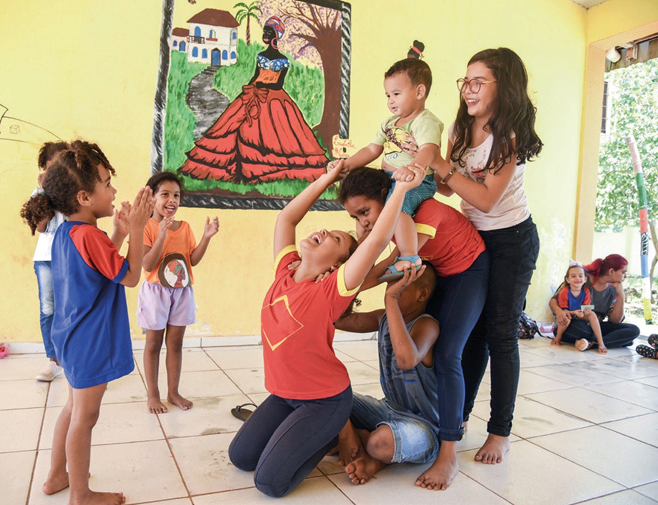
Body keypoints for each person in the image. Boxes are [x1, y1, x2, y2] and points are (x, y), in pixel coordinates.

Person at [227, 162, 427, 498]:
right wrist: (326, 178)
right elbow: (286, 218)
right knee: (241, 457)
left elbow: (376, 240)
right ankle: (329, 434)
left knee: (269, 483)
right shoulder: (284, 272)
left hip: (323, 401)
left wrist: (402, 191)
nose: (323, 231)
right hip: (285, 394)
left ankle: (329, 434)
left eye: (335, 238)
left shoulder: (330, 290)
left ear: (337, 266)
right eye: (329, 229)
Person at [409, 47, 543, 466]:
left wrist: (441, 165)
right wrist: (421, 158)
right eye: (465, 81)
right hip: (475, 242)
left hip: (512, 241)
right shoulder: (461, 127)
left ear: (505, 86)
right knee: (472, 334)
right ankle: (459, 415)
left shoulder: (510, 137)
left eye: (478, 81)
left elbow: (485, 199)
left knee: (500, 334)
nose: (468, 90)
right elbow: (450, 189)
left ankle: (500, 431)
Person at [338, 166, 489, 490]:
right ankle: (371, 441)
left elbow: (390, 271)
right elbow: (384, 271)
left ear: (386, 197)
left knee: (447, 354)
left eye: (364, 211)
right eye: (355, 217)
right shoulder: (395, 222)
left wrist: (353, 287)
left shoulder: (420, 215)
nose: (361, 222)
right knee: (332, 399)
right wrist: (337, 292)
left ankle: (447, 452)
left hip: (467, 269)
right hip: (432, 271)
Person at [21, 140, 154, 505]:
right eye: (106, 184)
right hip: (89, 341)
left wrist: (123, 232)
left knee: (72, 408)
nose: (113, 191)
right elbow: (127, 275)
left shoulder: (69, 233)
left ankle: (56, 476)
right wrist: (140, 228)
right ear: (83, 197)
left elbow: (100, 266)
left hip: (71, 337)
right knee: (85, 416)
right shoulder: (89, 236)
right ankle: (80, 494)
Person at [332, 56, 443, 280]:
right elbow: (372, 150)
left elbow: (429, 149)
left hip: (415, 180)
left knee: (398, 210)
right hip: (389, 178)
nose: (391, 101)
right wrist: (346, 165)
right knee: (363, 210)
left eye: (396, 94)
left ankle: (409, 256)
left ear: (419, 92)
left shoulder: (424, 121)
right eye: (388, 96)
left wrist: (415, 167)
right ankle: (361, 254)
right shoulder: (389, 123)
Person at [180, 16, 327, 184]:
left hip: (274, 98)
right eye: (265, 31)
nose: (265, 33)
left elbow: (279, 83)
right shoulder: (261, 56)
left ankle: (266, 167)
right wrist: (249, 91)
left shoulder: (283, 60)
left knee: (278, 133)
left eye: (269, 31)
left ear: (276, 36)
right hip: (255, 92)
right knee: (234, 126)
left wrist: (262, 88)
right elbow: (256, 76)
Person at [333, 265, 440, 485]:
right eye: (390, 284)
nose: (389, 289)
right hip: (387, 409)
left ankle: (370, 449)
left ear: (422, 294)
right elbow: (338, 319)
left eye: (400, 285)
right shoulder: (383, 318)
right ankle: (361, 440)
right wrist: (353, 277)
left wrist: (391, 299)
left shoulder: (427, 325)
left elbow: (406, 359)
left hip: (424, 427)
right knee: (330, 401)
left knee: (379, 443)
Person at [139, 171, 219, 414]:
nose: (172, 200)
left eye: (176, 195)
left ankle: (173, 391)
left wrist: (206, 238)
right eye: (165, 194)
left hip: (182, 292)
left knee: (175, 343)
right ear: (152, 198)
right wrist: (161, 235)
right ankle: (153, 394)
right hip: (156, 293)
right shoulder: (147, 227)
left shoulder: (184, 228)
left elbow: (192, 260)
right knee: (153, 344)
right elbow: (147, 264)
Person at [20, 141, 69, 382]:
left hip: (70, 256)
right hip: (46, 258)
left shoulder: (73, 190)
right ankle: (53, 360)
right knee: (48, 309)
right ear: (45, 166)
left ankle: (73, 358)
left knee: (71, 307)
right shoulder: (38, 193)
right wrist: (43, 192)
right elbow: (40, 226)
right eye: (54, 165)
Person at [550, 254, 639, 349]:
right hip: (573, 322)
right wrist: (559, 312)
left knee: (633, 330)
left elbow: (614, 321)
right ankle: (608, 341)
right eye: (623, 272)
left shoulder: (614, 289)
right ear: (611, 271)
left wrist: (621, 295)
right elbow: (553, 300)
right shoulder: (582, 277)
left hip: (596, 326)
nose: (625, 276)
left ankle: (591, 343)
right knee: (583, 330)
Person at [550, 262, 606, 353]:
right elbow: (564, 310)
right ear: (567, 280)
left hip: (579, 314)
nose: (577, 278)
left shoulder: (586, 291)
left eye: (580, 276)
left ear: (585, 279)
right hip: (568, 313)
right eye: (573, 276)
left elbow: (585, 307)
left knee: (592, 314)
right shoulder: (564, 291)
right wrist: (574, 313)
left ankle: (601, 343)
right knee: (566, 318)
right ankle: (558, 338)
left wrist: (587, 310)